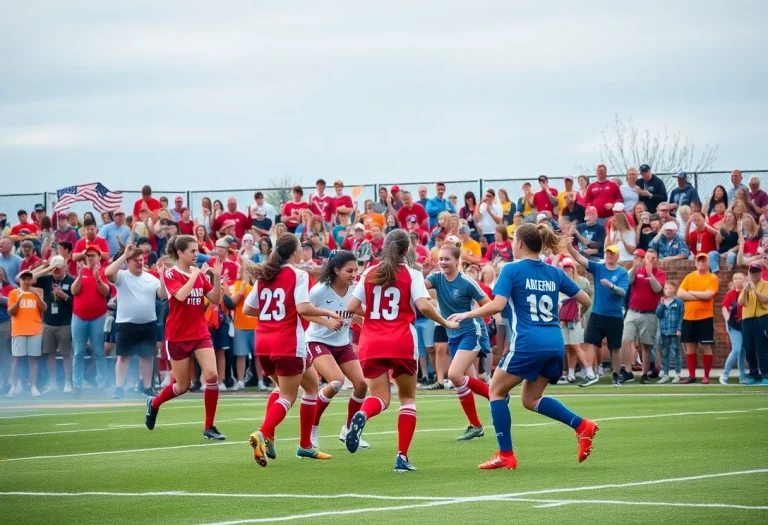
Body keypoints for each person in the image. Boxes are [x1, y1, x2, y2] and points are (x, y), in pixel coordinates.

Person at [448, 223, 596, 469]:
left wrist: (466, 315)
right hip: (554, 342)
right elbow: (586, 299)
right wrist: (566, 316)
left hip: (527, 342)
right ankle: (582, 425)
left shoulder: (511, 270)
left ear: (519, 244)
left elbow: (497, 305)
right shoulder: (555, 272)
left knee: (496, 391)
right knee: (531, 399)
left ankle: (506, 454)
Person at [343, 229, 458, 472]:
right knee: (407, 399)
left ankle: (362, 414)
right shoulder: (411, 274)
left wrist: (373, 314)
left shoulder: (370, 273)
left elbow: (351, 306)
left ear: (384, 247)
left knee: (379, 398)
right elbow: (424, 306)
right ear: (407, 250)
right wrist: (445, 322)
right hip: (401, 341)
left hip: (371, 342)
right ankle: (401, 457)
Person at [244, 234, 341, 466]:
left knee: (310, 386)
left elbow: (248, 309)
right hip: (287, 342)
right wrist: (327, 313)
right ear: (295, 252)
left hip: (263, 343)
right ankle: (262, 433)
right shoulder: (298, 274)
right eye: (300, 248)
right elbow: (302, 307)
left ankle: (305, 445)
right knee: (288, 395)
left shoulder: (265, 275)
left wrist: (272, 315)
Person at [144, 235, 225, 440]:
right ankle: (154, 403)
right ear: (180, 253)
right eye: (192, 251)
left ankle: (209, 427)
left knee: (212, 375)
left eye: (197, 250)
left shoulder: (197, 274)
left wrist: (215, 277)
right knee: (182, 386)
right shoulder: (172, 273)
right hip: (178, 335)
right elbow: (179, 296)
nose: (196, 254)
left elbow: (215, 299)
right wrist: (194, 276)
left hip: (199, 333)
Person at [421, 244, 491, 441]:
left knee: (453, 375)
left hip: (472, 331)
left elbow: (489, 304)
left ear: (456, 261)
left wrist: (468, 314)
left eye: (446, 259)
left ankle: (496, 395)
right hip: (453, 334)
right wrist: (422, 273)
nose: (442, 262)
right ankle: (475, 425)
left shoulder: (467, 282)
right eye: (440, 259)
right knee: (465, 381)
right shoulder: (435, 278)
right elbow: (416, 290)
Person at [303, 251, 371, 449]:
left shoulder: (355, 289)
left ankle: (349, 430)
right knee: (336, 381)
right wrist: (326, 321)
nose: (354, 275)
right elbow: (304, 312)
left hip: (342, 343)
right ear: (336, 270)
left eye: (356, 270)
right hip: (317, 341)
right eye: (349, 271)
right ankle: (312, 427)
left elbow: (357, 310)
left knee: (361, 384)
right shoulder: (319, 291)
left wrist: (368, 319)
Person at [106, 245, 166, 399]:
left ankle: (147, 387)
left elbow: (163, 295)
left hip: (148, 323)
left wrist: (162, 277)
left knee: (146, 356)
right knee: (123, 356)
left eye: (141, 260)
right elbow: (108, 273)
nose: (140, 263)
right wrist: (124, 255)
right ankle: (119, 387)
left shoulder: (151, 278)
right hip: (126, 323)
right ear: (128, 261)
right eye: (136, 260)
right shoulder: (122, 276)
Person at [568, 243, 629, 387]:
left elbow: (623, 292)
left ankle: (616, 375)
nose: (609, 256)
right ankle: (590, 373)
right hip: (597, 313)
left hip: (614, 315)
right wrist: (569, 246)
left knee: (615, 346)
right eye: (607, 253)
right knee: (589, 342)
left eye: (612, 253)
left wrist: (611, 286)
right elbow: (579, 258)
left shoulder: (621, 272)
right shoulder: (599, 268)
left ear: (617, 256)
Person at [29, 256, 74, 393]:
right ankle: (52, 383)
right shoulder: (47, 279)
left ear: (64, 267)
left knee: (66, 354)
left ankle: (68, 382)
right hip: (48, 323)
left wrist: (63, 295)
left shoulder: (71, 281)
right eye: (54, 269)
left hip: (65, 323)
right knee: (50, 354)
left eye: (58, 268)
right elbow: (28, 279)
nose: (56, 271)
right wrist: (46, 268)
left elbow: (75, 303)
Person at [70, 245, 110, 395]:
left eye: (93, 255)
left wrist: (98, 279)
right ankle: (77, 384)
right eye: (87, 255)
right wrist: (79, 277)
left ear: (99, 257)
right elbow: (74, 291)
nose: (89, 258)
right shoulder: (81, 272)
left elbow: (105, 292)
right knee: (78, 352)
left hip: (97, 317)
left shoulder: (103, 272)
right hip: (79, 317)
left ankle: (101, 384)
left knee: (99, 352)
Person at [623, 249, 665, 384]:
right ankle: (627, 371)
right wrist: (635, 266)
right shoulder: (637, 271)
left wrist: (650, 274)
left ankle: (644, 374)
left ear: (657, 260)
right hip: (633, 311)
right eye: (648, 258)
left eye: (653, 258)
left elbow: (658, 289)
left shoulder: (660, 273)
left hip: (649, 314)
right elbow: (628, 281)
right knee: (625, 340)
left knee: (646, 345)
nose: (651, 260)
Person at [677, 253, 720, 384]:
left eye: (704, 260)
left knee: (706, 345)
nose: (701, 263)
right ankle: (692, 375)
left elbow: (708, 295)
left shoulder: (712, 278)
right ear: (695, 262)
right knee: (690, 346)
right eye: (699, 260)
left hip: (705, 317)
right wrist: (699, 296)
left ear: (708, 263)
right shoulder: (689, 277)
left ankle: (706, 376)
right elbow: (679, 293)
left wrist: (691, 293)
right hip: (689, 317)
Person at [5, 270, 46, 397]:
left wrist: (38, 296)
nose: (26, 281)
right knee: (17, 359)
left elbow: (44, 308)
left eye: (29, 279)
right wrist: (18, 302)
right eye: (24, 279)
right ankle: (14, 386)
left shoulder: (37, 292)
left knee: (33, 359)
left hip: (35, 329)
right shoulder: (13, 293)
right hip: (19, 330)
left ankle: (33, 386)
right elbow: (10, 312)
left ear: (32, 280)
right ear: (20, 280)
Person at [558, 257, 596, 386]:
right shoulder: (559, 282)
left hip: (575, 319)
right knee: (568, 347)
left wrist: (582, 313)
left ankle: (590, 372)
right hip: (563, 319)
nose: (567, 270)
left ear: (574, 268)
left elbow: (589, 297)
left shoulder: (582, 282)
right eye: (565, 268)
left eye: (569, 267)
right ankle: (571, 374)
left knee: (576, 346)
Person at [739, 263, 768, 385]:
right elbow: (741, 303)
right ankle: (753, 374)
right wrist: (745, 291)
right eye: (752, 272)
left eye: (756, 272)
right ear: (749, 273)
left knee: (762, 348)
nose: (755, 274)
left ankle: (765, 374)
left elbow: (764, 299)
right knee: (749, 348)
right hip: (747, 319)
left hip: (762, 318)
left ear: (760, 272)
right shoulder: (746, 286)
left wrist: (754, 290)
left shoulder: (766, 284)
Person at [720, 273, 747, 385]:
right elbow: (724, 307)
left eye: (739, 278)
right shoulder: (730, 294)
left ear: (744, 280)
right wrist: (727, 320)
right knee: (736, 349)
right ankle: (724, 375)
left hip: (746, 323)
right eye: (735, 278)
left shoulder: (747, 291)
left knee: (743, 352)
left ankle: (742, 376)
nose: (737, 280)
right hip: (734, 324)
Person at [656, 280, 683, 384]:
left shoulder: (679, 302)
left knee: (676, 352)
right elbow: (658, 314)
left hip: (675, 331)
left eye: (670, 288)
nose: (667, 290)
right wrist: (661, 305)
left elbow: (681, 317)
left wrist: (679, 329)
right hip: (664, 331)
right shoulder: (662, 301)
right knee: (665, 353)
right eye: (665, 288)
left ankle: (677, 374)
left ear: (675, 289)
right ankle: (665, 374)